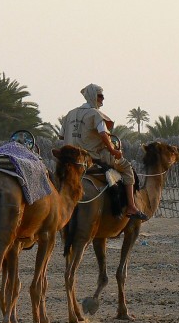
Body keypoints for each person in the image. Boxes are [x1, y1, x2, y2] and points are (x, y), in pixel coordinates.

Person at [61, 83, 148, 221]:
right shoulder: (95, 114)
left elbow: (62, 136)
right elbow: (103, 134)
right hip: (92, 157)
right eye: (100, 96)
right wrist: (113, 150)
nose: (102, 99)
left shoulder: (70, 114)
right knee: (126, 168)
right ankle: (131, 206)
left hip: (69, 159)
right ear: (93, 96)